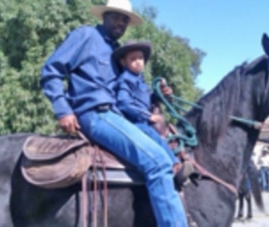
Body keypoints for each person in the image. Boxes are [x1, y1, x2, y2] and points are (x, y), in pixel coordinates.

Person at [40, 0, 188, 226]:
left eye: (125, 19)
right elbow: (51, 71)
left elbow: (130, 97)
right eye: (116, 16)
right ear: (104, 16)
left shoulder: (120, 53)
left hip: (117, 118)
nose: (121, 22)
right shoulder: (86, 36)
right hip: (95, 115)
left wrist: (158, 98)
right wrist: (63, 110)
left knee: (169, 154)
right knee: (158, 163)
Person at [112, 40, 194, 184]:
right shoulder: (125, 80)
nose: (138, 62)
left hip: (141, 120)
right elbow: (124, 103)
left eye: (140, 58)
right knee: (151, 135)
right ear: (123, 62)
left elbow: (148, 100)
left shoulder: (141, 81)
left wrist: (161, 95)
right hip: (132, 123)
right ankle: (174, 165)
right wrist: (148, 116)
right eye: (133, 59)